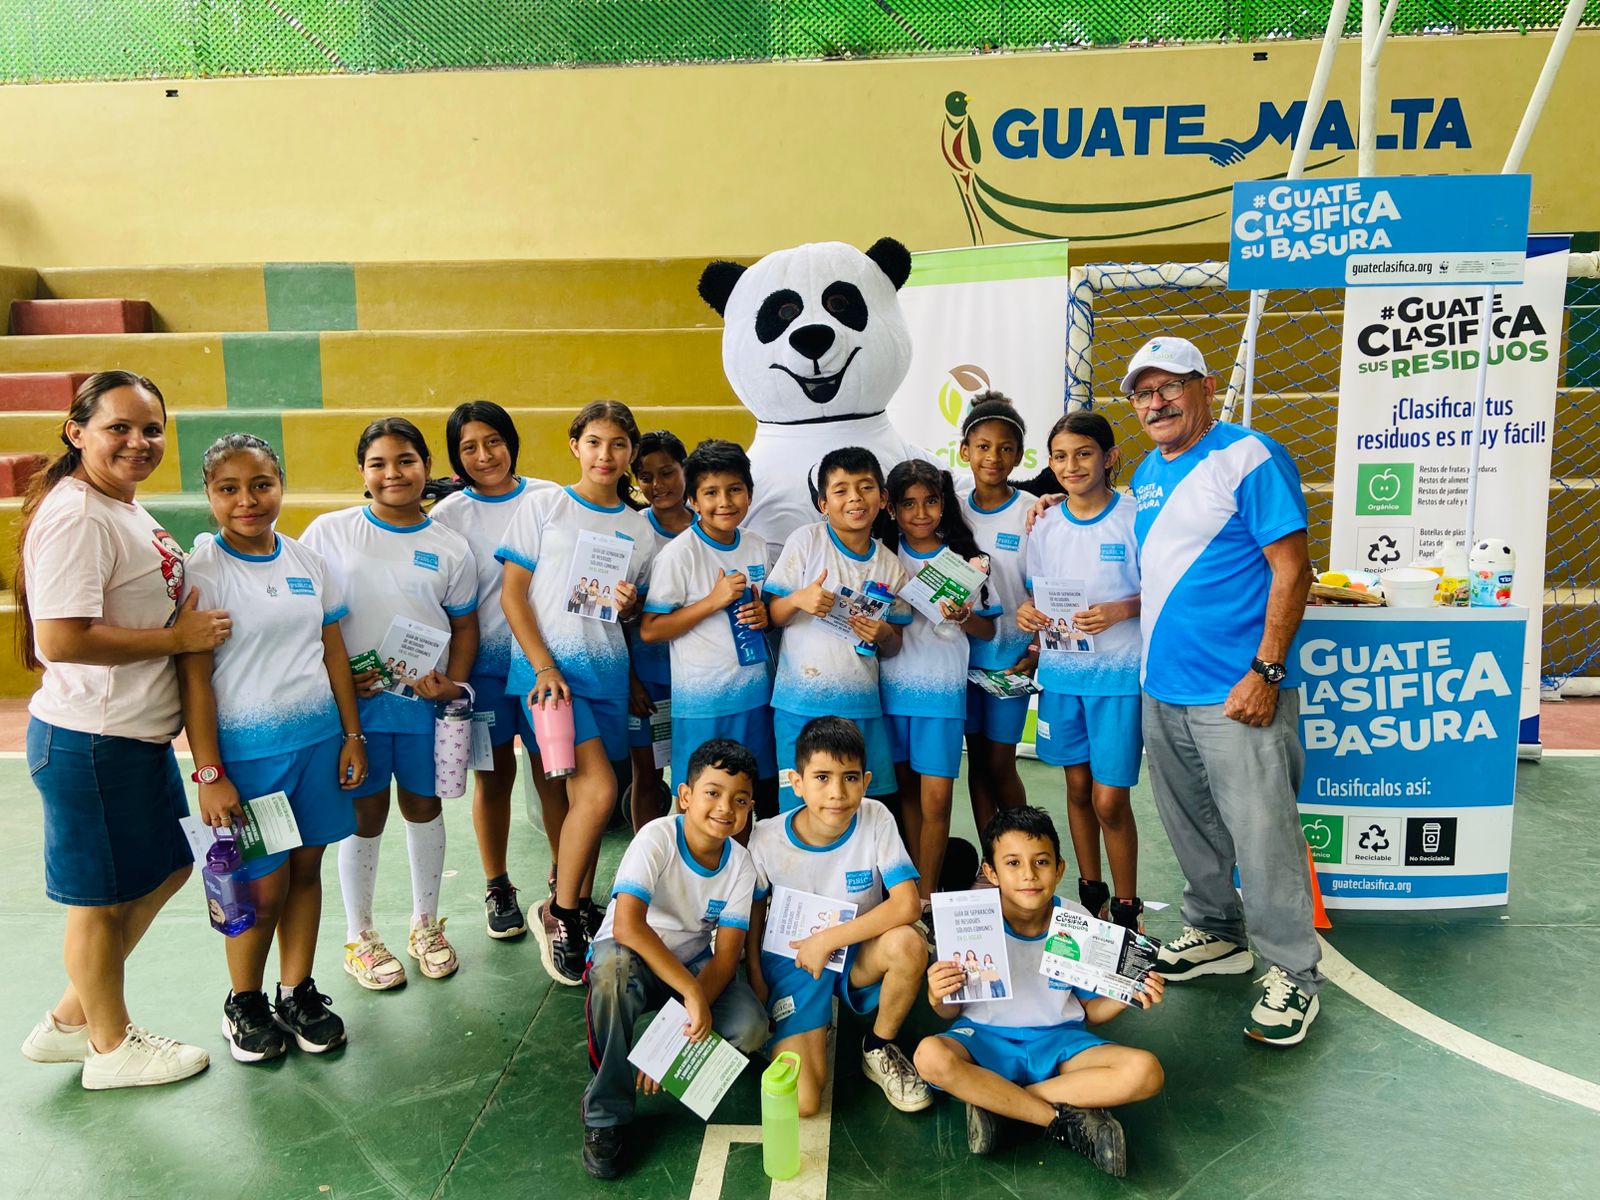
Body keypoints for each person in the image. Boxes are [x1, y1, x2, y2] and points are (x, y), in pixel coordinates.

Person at [17, 370, 228, 1089]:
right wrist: (179, 640)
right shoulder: (79, 515)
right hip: (92, 740)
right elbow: (62, 638)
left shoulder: (118, 506)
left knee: (170, 863)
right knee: (99, 904)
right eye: (119, 428)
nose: (139, 441)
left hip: (133, 737)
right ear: (76, 432)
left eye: (152, 429)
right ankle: (109, 1048)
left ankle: (70, 1020)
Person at [1121, 335, 1321, 1045]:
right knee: (1190, 824)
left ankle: (1294, 972)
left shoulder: (1249, 455)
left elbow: (1293, 569)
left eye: (1170, 386)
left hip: (1238, 691)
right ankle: (1217, 932)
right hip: (1162, 687)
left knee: (1264, 836)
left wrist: (1266, 672)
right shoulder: (1147, 469)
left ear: (1206, 387)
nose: (1156, 402)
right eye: (1143, 392)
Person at [178, 434, 366, 1062]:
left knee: (306, 872)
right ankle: (245, 1001)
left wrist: (352, 736)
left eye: (261, 485)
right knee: (259, 888)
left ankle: (296, 992)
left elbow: (332, 653)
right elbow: (195, 682)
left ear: (280, 484)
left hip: (318, 746)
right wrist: (210, 773)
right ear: (209, 495)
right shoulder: (202, 573)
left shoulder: (308, 562)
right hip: (248, 761)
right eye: (228, 489)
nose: (247, 500)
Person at [302, 418, 479, 990]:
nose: (393, 473)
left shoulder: (449, 546)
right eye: (378, 463)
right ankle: (360, 936)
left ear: (426, 466)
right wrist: (334, 678)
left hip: (421, 708)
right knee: (366, 812)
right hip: (357, 710)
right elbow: (307, 619)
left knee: (424, 806)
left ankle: (426, 924)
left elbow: (465, 627)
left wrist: (452, 685)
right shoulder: (329, 532)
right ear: (362, 472)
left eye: (405, 460)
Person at [498, 400, 657, 985]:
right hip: (551, 678)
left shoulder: (640, 529)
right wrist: (543, 667)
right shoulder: (545, 506)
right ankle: (559, 912)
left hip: (607, 674)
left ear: (630, 452)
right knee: (599, 790)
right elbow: (512, 594)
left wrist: (631, 606)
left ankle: (581, 901)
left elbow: (628, 615)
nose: (605, 455)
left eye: (618, 444)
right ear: (575, 446)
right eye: (594, 442)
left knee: (585, 800)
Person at [914, 806, 1164, 1174]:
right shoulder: (967, 919)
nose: (1029, 874)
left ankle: (1002, 1105)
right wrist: (937, 995)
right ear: (990, 872)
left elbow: (1091, 1011)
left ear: (1059, 869)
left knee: (1146, 1071)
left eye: (1041, 862)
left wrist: (1127, 993)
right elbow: (950, 1010)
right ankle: (1055, 1119)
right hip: (983, 1040)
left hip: (1061, 1043)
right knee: (929, 1056)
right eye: (1013, 863)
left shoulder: (1076, 920)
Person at [580, 739, 768, 1179]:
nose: (725, 808)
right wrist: (690, 995)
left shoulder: (741, 865)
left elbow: (726, 957)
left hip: (690, 961)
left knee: (752, 1027)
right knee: (610, 976)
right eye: (713, 793)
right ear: (685, 796)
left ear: (750, 808)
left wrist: (670, 1045)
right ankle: (605, 1111)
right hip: (628, 956)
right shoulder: (657, 837)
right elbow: (627, 926)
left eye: (740, 800)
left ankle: (664, 1059)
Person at [747, 717, 931, 1116]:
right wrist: (757, 979)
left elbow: (907, 904)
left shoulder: (876, 816)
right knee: (803, 1102)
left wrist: (828, 939)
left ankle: (878, 1045)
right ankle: (794, 1027)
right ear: (796, 782)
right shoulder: (766, 838)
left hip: (855, 951)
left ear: (866, 781)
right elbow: (754, 914)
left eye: (849, 778)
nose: (837, 792)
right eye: (822, 778)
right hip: (795, 960)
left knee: (908, 944)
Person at [430, 401, 555, 942]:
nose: (484, 456)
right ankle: (498, 884)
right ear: (456, 457)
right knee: (494, 777)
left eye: (493, 441)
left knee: (554, 773)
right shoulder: (447, 516)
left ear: (512, 442)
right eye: (469, 447)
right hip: (481, 671)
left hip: (542, 665)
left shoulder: (549, 498)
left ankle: (563, 881)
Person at [1016, 411, 1144, 929]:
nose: (1071, 465)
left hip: (1118, 679)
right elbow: (1037, 593)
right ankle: (1093, 895)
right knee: (1076, 789)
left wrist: (1120, 610)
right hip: (1063, 677)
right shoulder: (1044, 522)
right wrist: (1028, 613)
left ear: (1110, 458)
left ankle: (1128, 907)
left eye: (1084, 453)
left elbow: (1163, 589)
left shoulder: (1134, 516)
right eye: (1060, 456)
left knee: (1109, 799)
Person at [880, 460, 998, 913]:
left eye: (930, 501)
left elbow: (988, 629)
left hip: (943, 694)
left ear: (944, 504)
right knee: (906, 795)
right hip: (890, 690)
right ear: (891, 508)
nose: (921, 513)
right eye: (909, 503)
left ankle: (927, 900)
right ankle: (911, 893)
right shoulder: (881, 556)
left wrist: (965, 616)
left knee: (936, 798)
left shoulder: (966, 561)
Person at [639, 439, 778, 815]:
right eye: (711, 492)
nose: (725, 502)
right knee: (700, 805)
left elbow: (763, 609)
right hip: (703, 705)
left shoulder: (755, 544)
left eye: (735, 489)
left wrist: (763, 615)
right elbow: (650, 629)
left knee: (748, 799)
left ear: (749, 493)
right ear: (693, 500)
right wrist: (712, 601)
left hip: (756, 698)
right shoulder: (679, 554)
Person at [765, 448, 909, 807]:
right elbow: (773, 615)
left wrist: (883, 634)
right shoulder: (806, 541)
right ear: (823, 503)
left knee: (860, 806)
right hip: (799, 704)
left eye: (865, 487)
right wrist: (799, 600)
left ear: (883, 498)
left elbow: (895, 644)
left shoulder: (891, 566)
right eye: (841, 490)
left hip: (861, 706)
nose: (855, 498)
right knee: (798, 807)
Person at [956, 396, 1036, 837]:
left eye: (1006, 448)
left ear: (1019, 456)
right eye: (983, 446)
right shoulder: (951, 507)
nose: (994, 457)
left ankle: (1023, 847)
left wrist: (1036, 650)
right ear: (965, 450)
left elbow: (1043, 589)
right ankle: (992, 859)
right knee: (977, 762)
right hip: (961, 658)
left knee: (1001, 762)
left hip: (1010, 661)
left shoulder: (1033, 511)